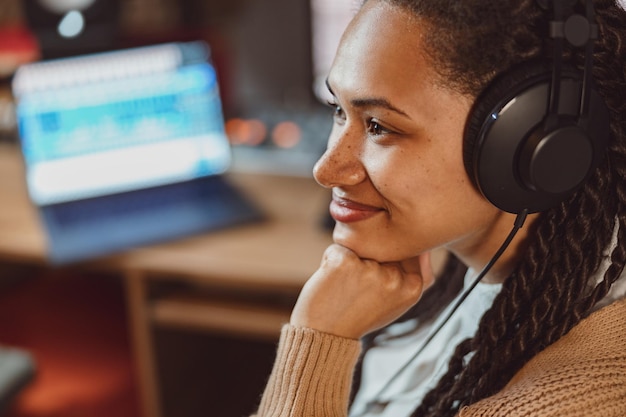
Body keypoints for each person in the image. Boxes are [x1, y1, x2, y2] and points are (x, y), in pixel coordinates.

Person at [251, 0, 626, 416]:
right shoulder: (447, 269)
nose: (326, 169)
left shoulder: (559, 406)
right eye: (338, 110)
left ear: (528, 143)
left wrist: (318, 338)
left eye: (379, 126)